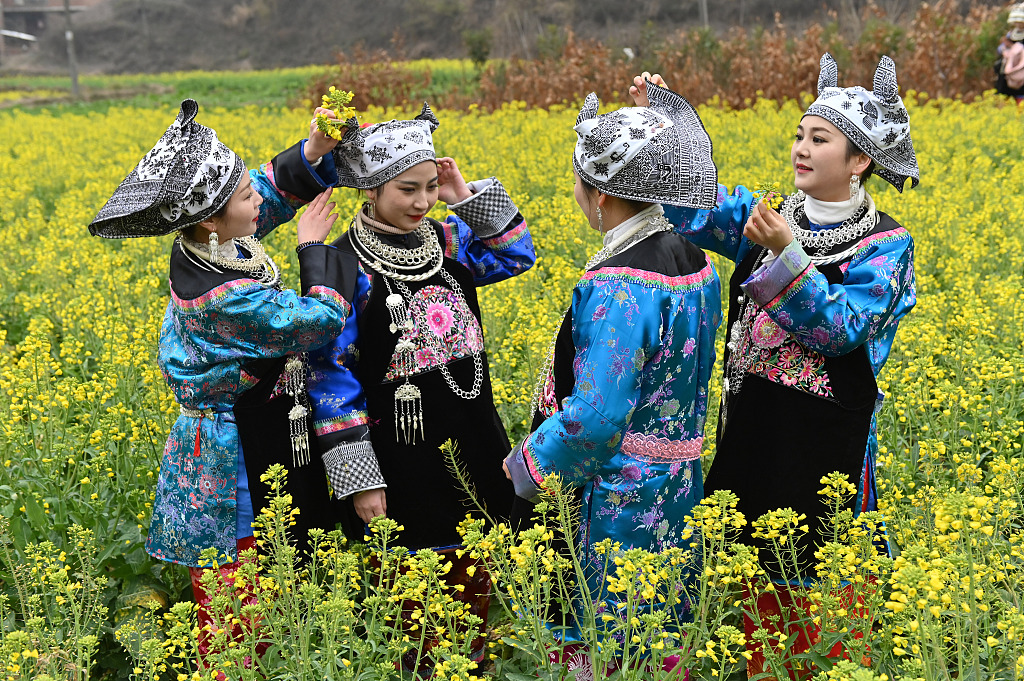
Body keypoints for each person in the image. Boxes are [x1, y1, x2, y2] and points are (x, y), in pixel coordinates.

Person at [632, 54, 918, 677]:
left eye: (820, 139)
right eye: (798, 135)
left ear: (860, 160)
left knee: (819, 581)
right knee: (747, 577)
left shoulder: (888, 244)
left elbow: (842, 329)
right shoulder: (769, 215)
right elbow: (691, 207)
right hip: (754, 426)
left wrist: (786, 253)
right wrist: (670, 133)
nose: (801, 149)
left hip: (826, 442)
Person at [88, 99, 356, 661]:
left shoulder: (208, 243)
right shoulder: (225, 295)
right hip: (232, 445)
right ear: (212, 219)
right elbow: (314, 323)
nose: (256, 197)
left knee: (274, 570)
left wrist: (313, 150)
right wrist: (312, 249)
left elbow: (264, 188)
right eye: (242, 196)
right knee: (238, 582)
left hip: (256, 420)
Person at [286, 103, 535, 665]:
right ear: (370, 191)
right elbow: (331, 376)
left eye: (429, 187)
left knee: (476, 598)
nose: (423, 202)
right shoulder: (343, 266)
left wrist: (463, 192)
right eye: (407, 190)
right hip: (399, 457)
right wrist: (358, 479)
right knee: (416, 617)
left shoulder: (446, 240)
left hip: (473, 437)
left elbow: (517, 255)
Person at [502, 81, 722, 671]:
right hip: (680, 482)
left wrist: (527, 465)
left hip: (619, 493)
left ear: (598, 194)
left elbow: (598, 416)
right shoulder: (695, 259)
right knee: (661, 634)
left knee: (610, 640)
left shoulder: (617, 284)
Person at [995, 3, 1024, 100]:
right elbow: (1001, 48)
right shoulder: (1011, 34)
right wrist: (1004, 50)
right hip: (1010, 69)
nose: (1019, 24)